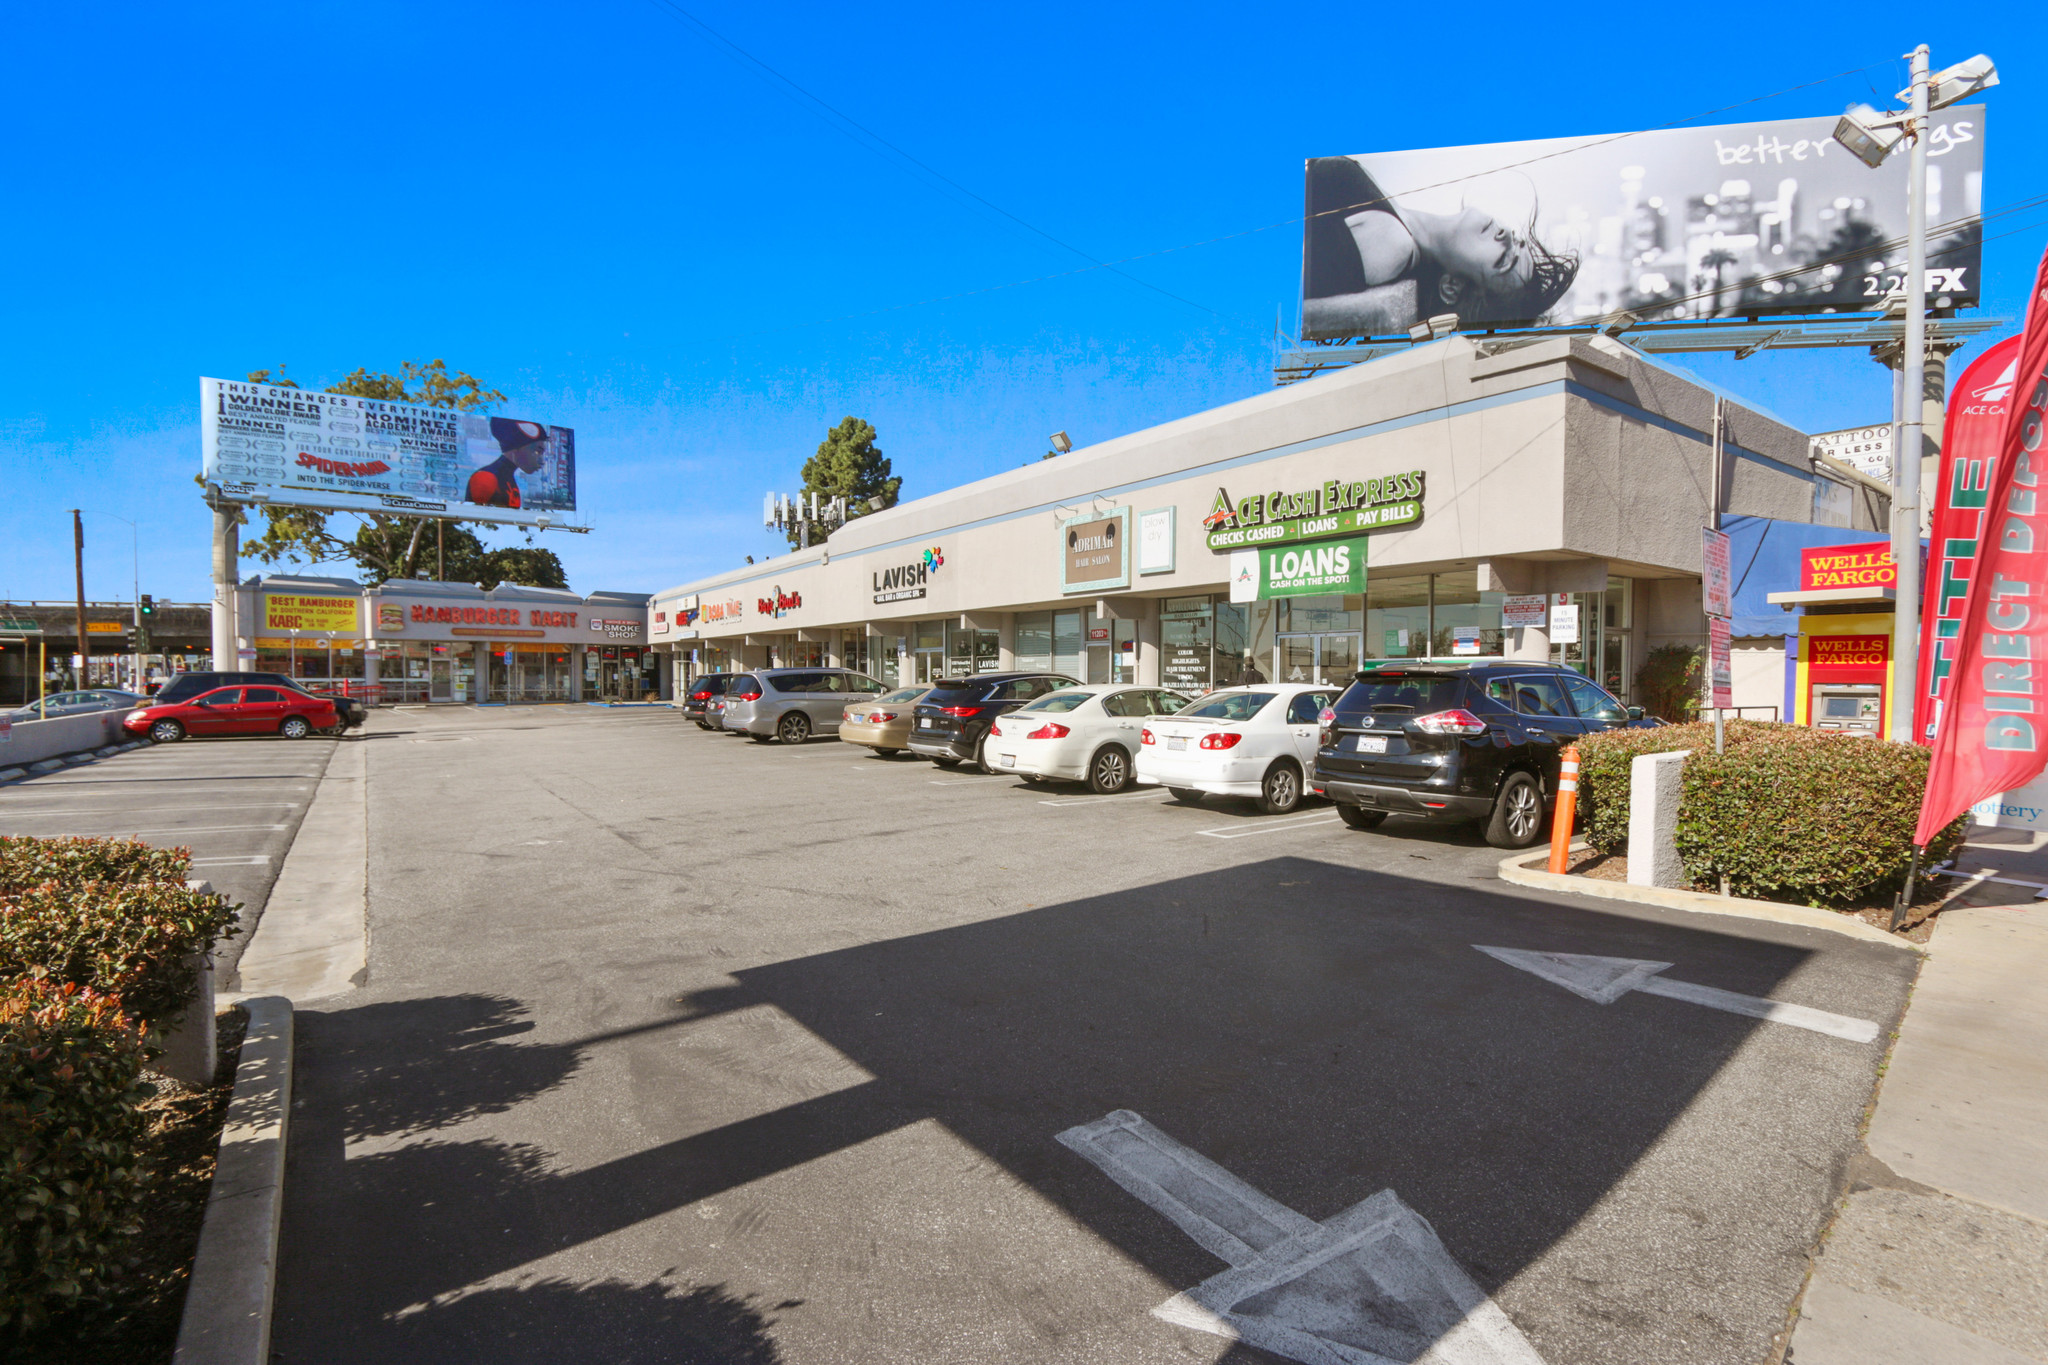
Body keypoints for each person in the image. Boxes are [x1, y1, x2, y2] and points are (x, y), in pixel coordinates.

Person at [1302, 156, 1578, 338]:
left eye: (1504, 260)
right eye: (1518, 241)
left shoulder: (1392, 247)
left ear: (1452, 287)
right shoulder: (1400, 223)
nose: (1506, 235)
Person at [467, 418, 550, 509]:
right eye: (537, 451)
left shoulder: (508, 479)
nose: (542, 461)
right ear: (517, 448)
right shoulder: (486, 478)